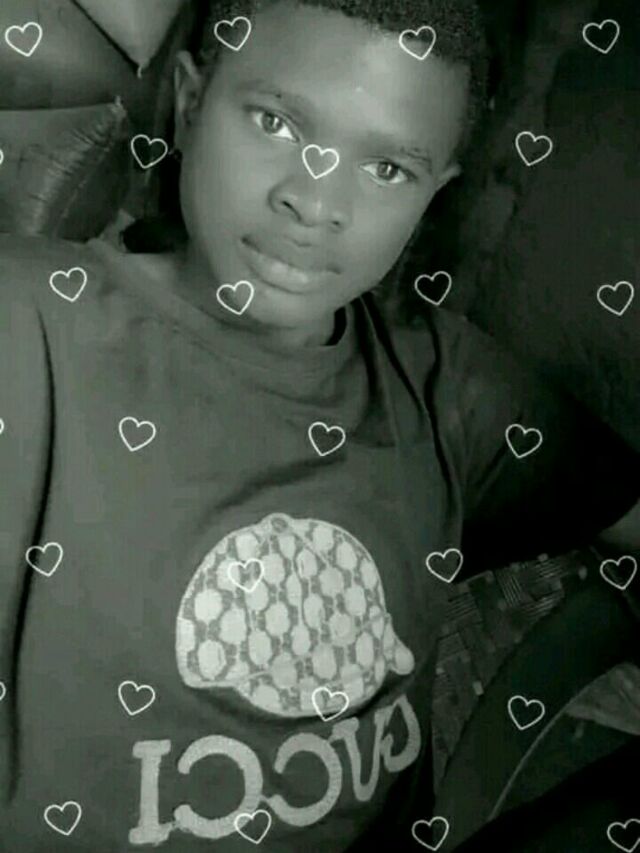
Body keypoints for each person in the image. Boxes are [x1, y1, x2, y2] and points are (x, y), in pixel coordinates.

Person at [0, 0, 638, 850]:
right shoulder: (32, 321)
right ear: (190, 105)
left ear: (434, 194)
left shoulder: (447, 383)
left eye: (388, 169)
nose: (314, 200)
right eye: (275, 122)